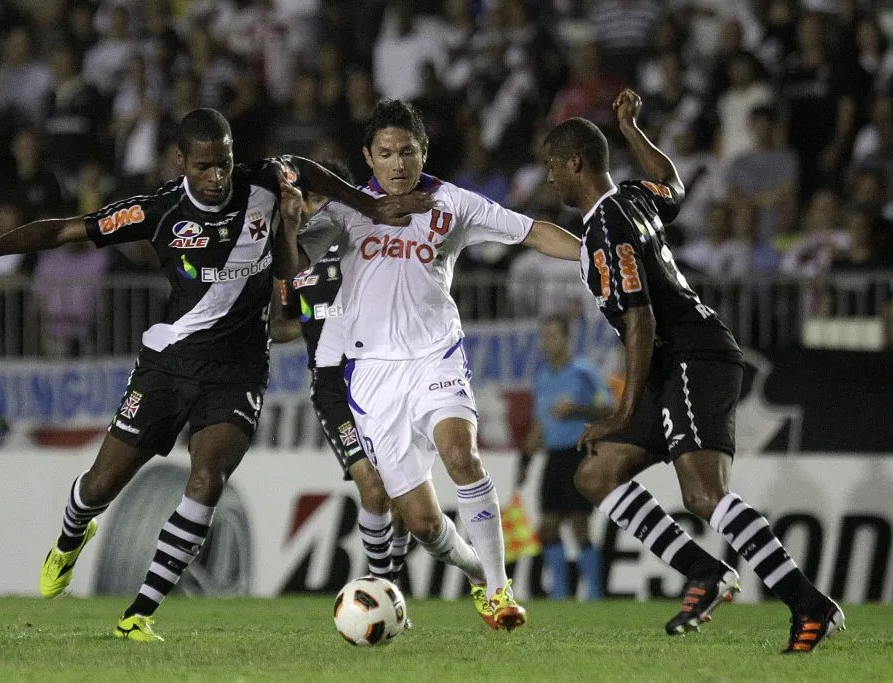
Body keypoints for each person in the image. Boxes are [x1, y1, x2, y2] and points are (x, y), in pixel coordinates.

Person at [0, 108, 431, 642]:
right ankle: (72, 536)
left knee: (208, 480)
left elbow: (310, 170)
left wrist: (370, 204)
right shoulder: (157, 210)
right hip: (168, 366)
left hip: (237, 372)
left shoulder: (265, 180)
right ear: (180, 162)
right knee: (99, 485)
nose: (217, 177)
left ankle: (138, 614)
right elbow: (63, 229)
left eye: (225, 163)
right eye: (205, 166)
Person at [543, 89, 844, 652]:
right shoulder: (630, 198)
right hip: (674, 361)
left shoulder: (607, 225)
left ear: (575, 164)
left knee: (705, 496)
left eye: (552, 166)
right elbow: (674, 186)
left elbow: (640, 321)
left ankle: (811, 606)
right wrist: (632, 129)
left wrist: (622, 410)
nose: (549, 178)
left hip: (691, 354)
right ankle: (705, 573)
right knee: (595, 475)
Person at [292, 99, 582, 632]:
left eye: (407, 151)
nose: (398, 163)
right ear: (368, 158)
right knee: (423, 523)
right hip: (372, 375)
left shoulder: (453, 203)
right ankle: (475, 570)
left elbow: (531, 230)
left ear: (423, 151)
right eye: (385, 153)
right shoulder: (346, 211)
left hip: (435, 354)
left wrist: (595, 255)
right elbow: (289, 256)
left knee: (460, 453)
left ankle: (499, 590)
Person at [271, 159, 411, 586]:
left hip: (379, 372)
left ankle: (391, 580)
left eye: (312, 197)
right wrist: (314, 322)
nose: (306, 208)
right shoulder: (294, 253)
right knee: (372, 489)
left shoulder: (355, 232)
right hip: (330, 382)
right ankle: (382, 586)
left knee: (402, 494)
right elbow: (281, 326)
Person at [516, 315, 613, 601]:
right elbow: (540, 425)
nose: (547, 343)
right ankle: (560, 593)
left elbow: (610, 409)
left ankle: (594, 593)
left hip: (578, 453)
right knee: (547, 527)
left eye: (553, 336)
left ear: (567, 339)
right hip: (553, 457)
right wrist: (525, 461)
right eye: (544, 337)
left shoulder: (583, 372)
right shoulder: (544, 376)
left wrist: (578, 410)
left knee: (579, 524)